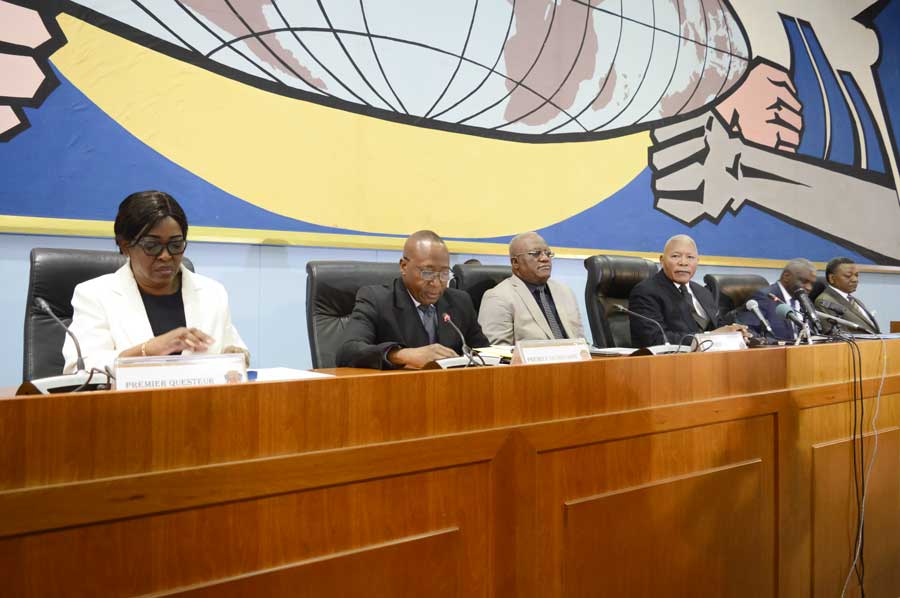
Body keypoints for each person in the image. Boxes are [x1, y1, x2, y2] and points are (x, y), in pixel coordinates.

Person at [63, 191, 248, 373]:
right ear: (125, 245)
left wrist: (236, 357)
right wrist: (147, 350)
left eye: (175, 245)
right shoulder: (95, 295)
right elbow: (80, 369)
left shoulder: (212, 292)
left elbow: (232, 350)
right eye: (152, 246)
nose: (166, 256)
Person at [336, 230, 489, 369]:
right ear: (404, 266)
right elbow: (347, 352)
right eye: (427, 273)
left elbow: (483, 353)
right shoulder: (376, 300)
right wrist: (400, 355)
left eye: (444, 274)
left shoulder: (460, 301)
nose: (436, 283)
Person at [629, 235, 747, 347]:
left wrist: (734, 333)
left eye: (690, 257)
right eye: (675, 256)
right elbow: (656, 339)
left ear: (697, 261)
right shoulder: (646, 291)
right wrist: (710, 337)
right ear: (662, 260)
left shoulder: (703, 292)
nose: (683, 263)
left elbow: (716, 326)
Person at [478, 232, 584, 345]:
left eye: (548, 253)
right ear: (515, 262)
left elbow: (581, 341)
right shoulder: (498, 297)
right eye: (535, 254)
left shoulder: (565, 292)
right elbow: (497, 351)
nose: (545, 258)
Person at [740, 258, 818, 341]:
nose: (809, 288)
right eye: (804, 281)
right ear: (786, 276)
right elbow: (747, 330)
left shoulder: (805, 300)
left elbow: (813, 333)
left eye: (812, 284)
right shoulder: (764, 297)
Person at [815, 257, 880, 334]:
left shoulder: (855, 301)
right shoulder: (824, 301)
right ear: (832, 278)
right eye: (848, 276)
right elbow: (837, 335)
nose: (855, 280)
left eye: (856, 275)